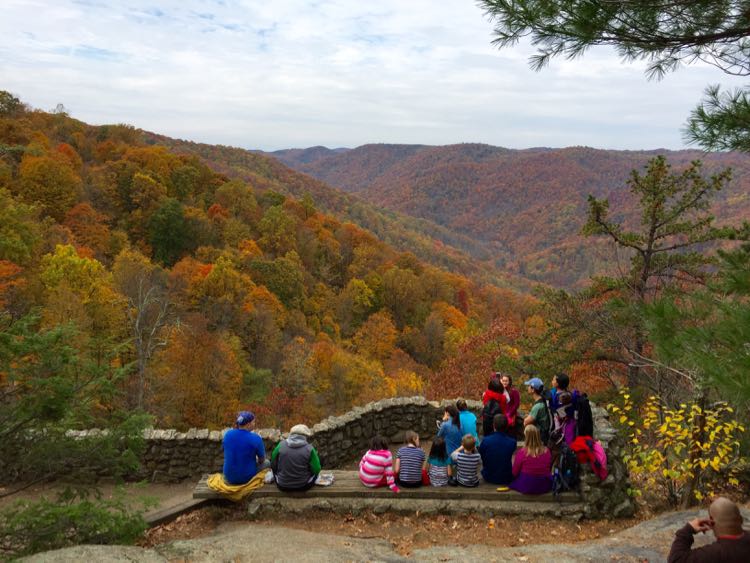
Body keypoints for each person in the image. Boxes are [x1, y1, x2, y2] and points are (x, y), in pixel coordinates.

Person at [667, 496, 750, 562]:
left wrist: (688, 529)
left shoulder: (713, 555)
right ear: (741, 519)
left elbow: (676, 559)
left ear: (711, 521)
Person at [270, 424, 321, 492]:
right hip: (303, 486)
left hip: (282, 485)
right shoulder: (310, 449)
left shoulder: (281, 445)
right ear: (305, 436)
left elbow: (273, 463)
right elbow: (317, 469)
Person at [222, 410, 268, 485]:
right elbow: (262, 460)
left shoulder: (228, 434)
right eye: (253, 422)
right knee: (267, 463)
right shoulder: (256, 438)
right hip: (246, 478)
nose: (254, 424)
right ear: (248, 424)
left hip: (228, 477)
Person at [509, 424, 552, 495]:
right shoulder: (547, 451)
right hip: (544, 484)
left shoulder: (522, 452)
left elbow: (514, 472)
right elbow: (548, 468)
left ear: (526, 437)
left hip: (526, 485)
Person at [479, 414, 517, 485]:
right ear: (506, 426)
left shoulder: (486, 440)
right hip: (505, 477)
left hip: (488, 476)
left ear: (493, 426)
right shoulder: (512, 442)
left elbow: (482, 455)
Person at [523, 377, 551, 444]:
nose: (528, 388)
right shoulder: (542, 402)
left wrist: (526, 418)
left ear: (533, 390)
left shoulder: (538, 406)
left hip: (540, 437)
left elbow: (526, 422)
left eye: (529, 386)